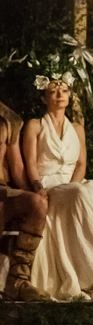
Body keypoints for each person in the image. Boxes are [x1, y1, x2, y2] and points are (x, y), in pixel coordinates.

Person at [21, 77, 93, 301]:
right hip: (48, 185)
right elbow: (30, 163)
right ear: (44, 98)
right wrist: (37, 186)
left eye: (64, 90)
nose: (60, 95)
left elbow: (81, 164)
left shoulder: (77, 128)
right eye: (54, 91)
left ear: (70, 96)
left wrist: (74, 184)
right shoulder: (35, 125)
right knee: (82, 193)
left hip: (74, 184)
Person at [0, 101, 49, 301]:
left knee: (37, 204)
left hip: (2, 190)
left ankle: (18, 281)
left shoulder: (7, 120)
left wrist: (35, 190)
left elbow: (17, 167)